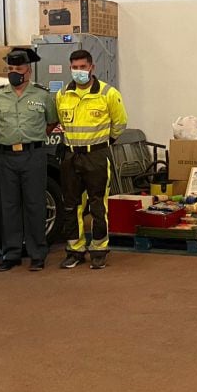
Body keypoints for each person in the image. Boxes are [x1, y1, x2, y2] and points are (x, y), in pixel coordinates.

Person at [0, 47, 58, 272]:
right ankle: (11, 253)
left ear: (29, 71)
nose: (14, 72)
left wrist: (32, 138)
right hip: (5, 156)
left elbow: (51, 122)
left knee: (35, 204)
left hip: (33, 154)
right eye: (11, 68)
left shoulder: (42, 95)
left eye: (19, 68)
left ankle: (37, 253)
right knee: (8, 205)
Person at [56, 49, 128, 270]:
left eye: (83, 67)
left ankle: (99, 248)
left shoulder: (108, 93)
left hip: (96, 155)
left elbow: (120, 123)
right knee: (71, 205)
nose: (79, 72)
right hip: (71, 156)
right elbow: (61, 123)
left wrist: (103, 143)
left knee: (98, 204)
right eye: (74, 68)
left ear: (91, 68)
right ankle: (75, 249)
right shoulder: (62, 95)